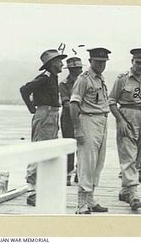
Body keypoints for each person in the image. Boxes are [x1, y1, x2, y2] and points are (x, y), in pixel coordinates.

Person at [20, 49, 67, 206]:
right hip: (45, 114)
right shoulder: (45, 77)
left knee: (49, 152)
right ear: (53, 64)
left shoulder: (52, 77)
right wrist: (32, 108)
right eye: (59, 61)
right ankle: (32, 192)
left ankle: (41, 189)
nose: (62, 63)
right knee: (39, 151)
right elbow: (25, 89)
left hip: (51, 115)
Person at [109, 48, 141, 211]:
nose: (140, 66)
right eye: (138, 63)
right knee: (128, 156)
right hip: (127, 116)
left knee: (138, 158)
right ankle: (134, 194)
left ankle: (125, 191)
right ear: (132, 62)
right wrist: (120, 120)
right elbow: (112, 101)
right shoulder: (122, 79)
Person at [70, 47, 111, 214]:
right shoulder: (83, 79)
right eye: (98, 62)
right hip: (88, 120)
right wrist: (77, 129)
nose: (101, 65)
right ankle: (81, 204)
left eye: (103, 62)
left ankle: (91, 199)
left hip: (102, 121)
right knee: (86, 162)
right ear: (90, 61)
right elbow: (74, 104)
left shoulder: (100, 79)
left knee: (98, 162)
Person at [59, 57, 84, 186]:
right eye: (74, 69)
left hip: (83, 117)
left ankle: (80, 172)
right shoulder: (63, 84)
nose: (77, 71)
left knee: (82, 145)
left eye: (79, 68)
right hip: (68, 118)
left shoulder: (85, 81)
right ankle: (68, 174)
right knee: (69, 146)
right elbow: (66, 102)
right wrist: (77, 107)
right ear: (69, 70)